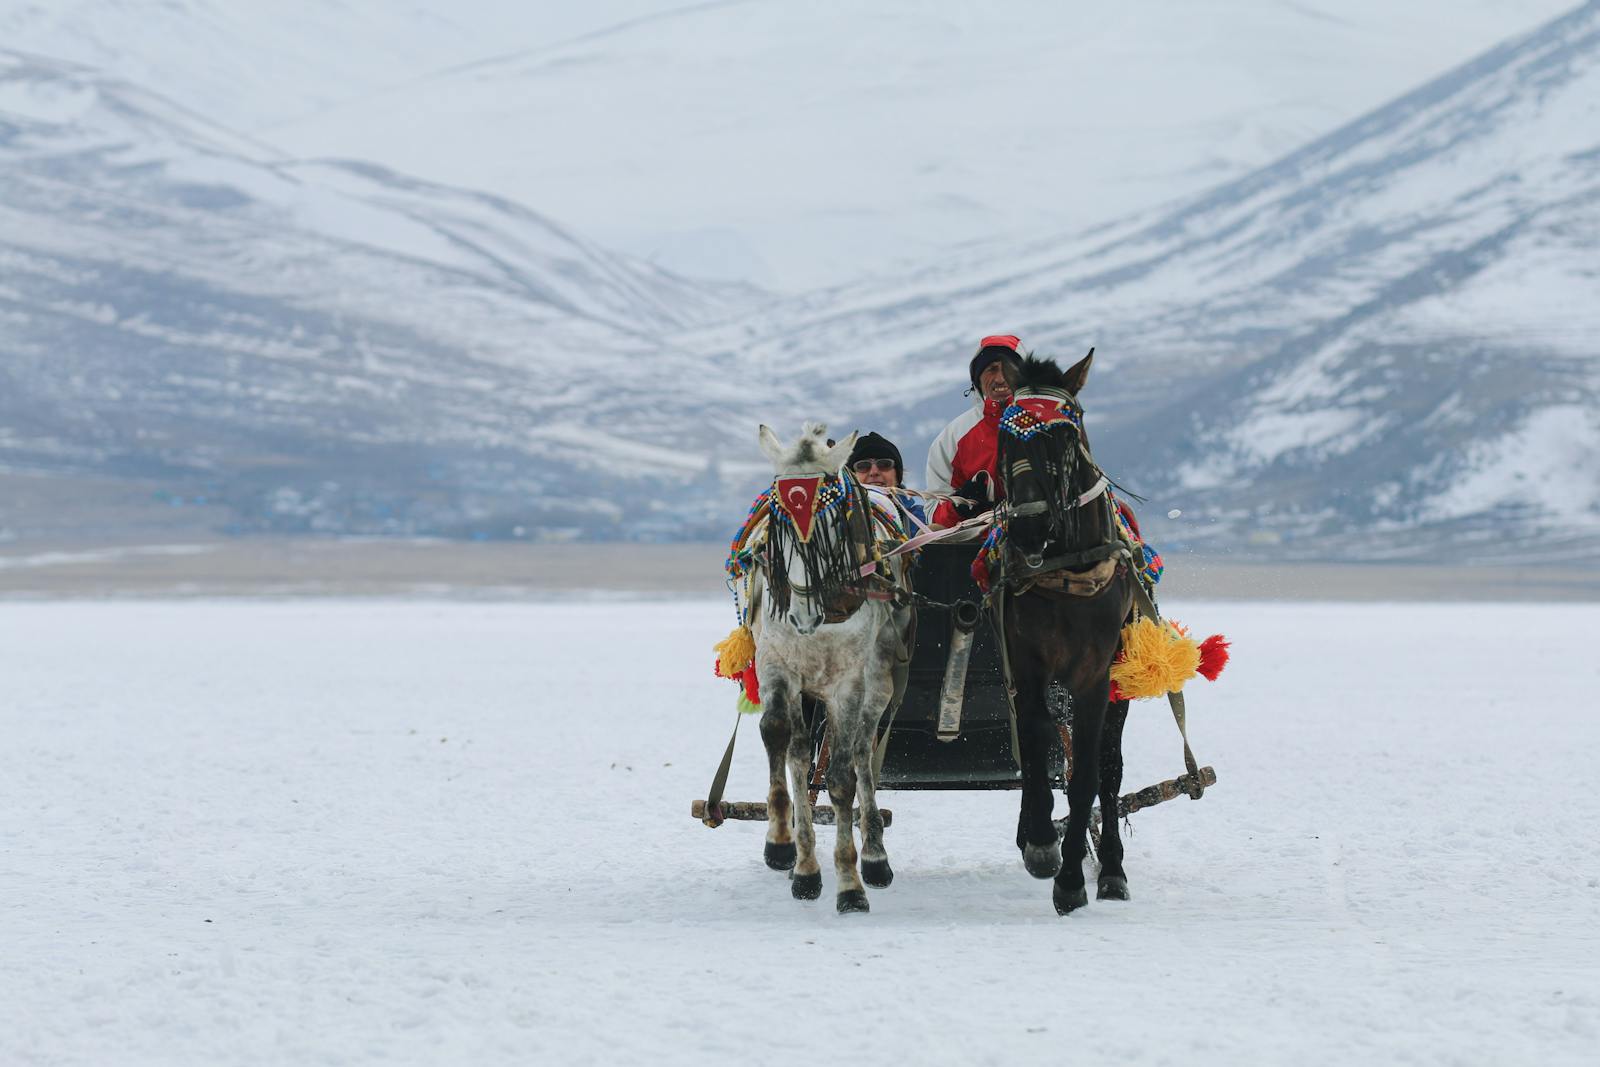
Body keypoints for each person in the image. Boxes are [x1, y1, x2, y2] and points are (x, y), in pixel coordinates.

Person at [925, 334, 1024, 529]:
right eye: (991, 369)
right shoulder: (953, 437)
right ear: (977, 380)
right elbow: (932, 515)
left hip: (1047, 538)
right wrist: (961, 505)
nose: (1000, 377)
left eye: (1008, 368)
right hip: (976, 543)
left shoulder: (1046, 422)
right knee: (926, 536)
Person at [847, 431, 927, 528]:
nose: (874, 472)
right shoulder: (834, 522)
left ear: (898, 476)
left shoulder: (924, 520)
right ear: (850, 477)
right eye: (863, 466)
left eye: (884, 464)